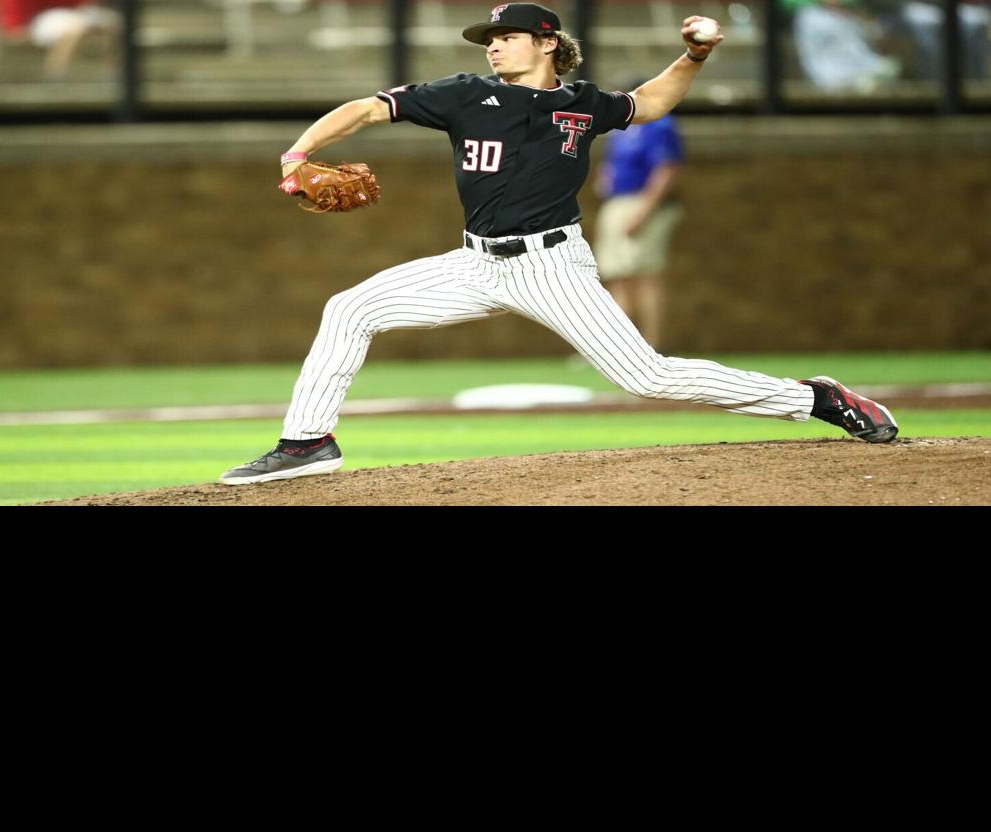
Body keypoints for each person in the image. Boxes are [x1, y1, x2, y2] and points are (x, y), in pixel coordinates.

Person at [219, 4, 898, 486]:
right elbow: (368, 107)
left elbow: (650, 104)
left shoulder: (582, 103)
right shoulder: (463, 96)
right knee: (349, 308)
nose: (493, 45)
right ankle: (307, 441)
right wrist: (299, 150)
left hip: (551, 264)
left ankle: (815, 399)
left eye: (507, 35)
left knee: (648, 377)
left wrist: (695, 55)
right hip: (476, 262)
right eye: (489, 37)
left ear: (545, 42)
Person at [593, 74, 685, 351]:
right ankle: (617, 348)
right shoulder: (623, 128)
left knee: (645, 275)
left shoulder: (659, 123)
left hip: (641, 204)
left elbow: (666, 170)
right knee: (618, 277)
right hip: (618, 202)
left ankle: (650, 347)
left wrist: (643, 212)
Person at [0, 0, 118, 78]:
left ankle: (111, 73)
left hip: (67, 16)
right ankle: (56, 76)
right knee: (75, 28)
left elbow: (81, 7)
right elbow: (14, 28)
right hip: (33, 24)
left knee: (115, 24)